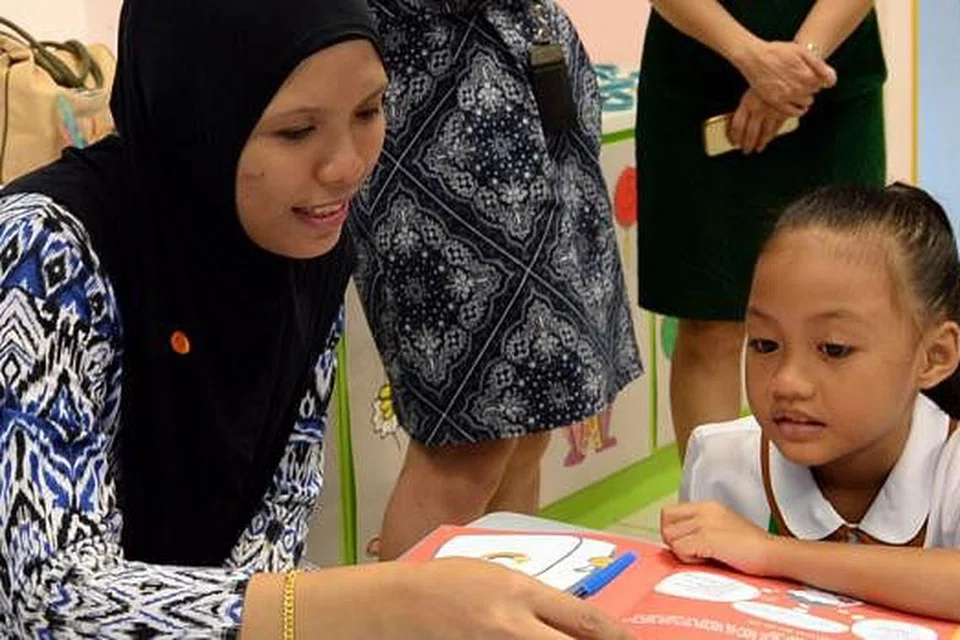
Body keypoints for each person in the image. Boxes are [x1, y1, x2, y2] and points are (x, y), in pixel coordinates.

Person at [0, 0, 635, 637]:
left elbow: (275, 522)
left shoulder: (303, 242)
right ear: (195, 114)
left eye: (369, 111)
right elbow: (45, 598)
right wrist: (389, 603)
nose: (348, 166)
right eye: (297, 131)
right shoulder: (42, 251)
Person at [351, 0, 643, 561]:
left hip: (530, 101)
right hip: (442, 123)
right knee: (465, 440)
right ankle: (403, 617)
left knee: (530, 421)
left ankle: (500, 604)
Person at [661, 184, 960, 621]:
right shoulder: (720, 460)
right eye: (764, 344)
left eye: (833, 349)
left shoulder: (952, 469)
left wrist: (772, 554)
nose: (787, 383)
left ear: (934, 357)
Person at [636, 0, 887, 459]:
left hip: (831, 84)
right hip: (698, 81)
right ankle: (715, 509)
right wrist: (751, 57)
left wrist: (797, 66)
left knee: (840, 315)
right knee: (710, 322)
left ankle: (835, 511)